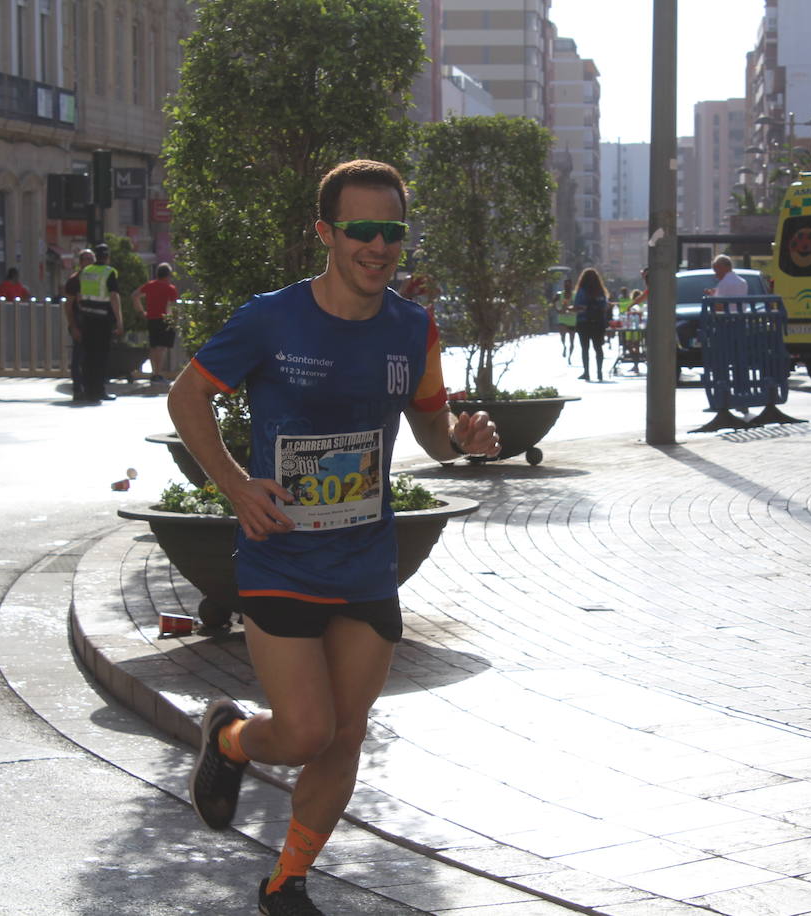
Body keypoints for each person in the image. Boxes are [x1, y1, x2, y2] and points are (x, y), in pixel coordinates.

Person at [168, 159, 500, 916]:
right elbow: (188, 398)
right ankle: (228, 739)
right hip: (281, 553)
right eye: (362, 231)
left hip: (364, 561)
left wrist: (465, 441)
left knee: (346, 734)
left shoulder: (413, 328)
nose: (379, 248)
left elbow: (435, 435)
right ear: (326, 233)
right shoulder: (270, 318)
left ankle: (288, 882)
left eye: (393, 232)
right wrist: (235, 486)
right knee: (304, 730)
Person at [77, 242, 123, 402]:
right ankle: (98, 391)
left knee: (88, 356)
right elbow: (114, 297)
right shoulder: (109, 272)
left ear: (95, 256)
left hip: (87, 318)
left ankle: (88, 390)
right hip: (102, 319)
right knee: (101, 356)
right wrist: (119, 321)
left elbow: (79, 295)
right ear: (108, 257)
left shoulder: (85, 271)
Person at [132, 262, 180, 383]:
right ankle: (158, 373)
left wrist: (141, 311)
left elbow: (135, 295)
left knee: (153, 347)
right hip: (164, 319)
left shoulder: (150, 286)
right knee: (161, 348)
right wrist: (174, 321)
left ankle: (154, 372)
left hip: (151, 318)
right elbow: (173, 306)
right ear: (168, 275)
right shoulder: (170, 288)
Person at [63, 249, 95, 402]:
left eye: (91, 259)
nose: (89, 262)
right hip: (80, 322)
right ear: (81, 262)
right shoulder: (75, 280)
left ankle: (91, 389)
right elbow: (68, 305)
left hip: (95, 323)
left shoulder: (97, 279)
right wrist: (73, 326)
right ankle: (78, 389)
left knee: (92, 358)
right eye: (86, 259)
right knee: (78, 358)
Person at [572, 267, 610, 382]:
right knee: (598, 348)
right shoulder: (601, 292)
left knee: (585, 348)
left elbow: (578, 306)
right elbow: (604, 307)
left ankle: (587, 372)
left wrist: (575, 309)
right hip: (598, 323)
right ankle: (599, 372)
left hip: (584, 322)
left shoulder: (581, 291)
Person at [557, 278, 576, 363]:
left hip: (572, 320)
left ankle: (569, 357)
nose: (567, 286)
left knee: (572, 341)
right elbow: (556, 306)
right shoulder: (559, 295)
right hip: (562, 319)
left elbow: (577, 307)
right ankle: (564, 346)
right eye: (565, 285)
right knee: (563, 337)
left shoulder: (575, 295)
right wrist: (560, 309)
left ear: (571, 285)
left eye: (569, 285)